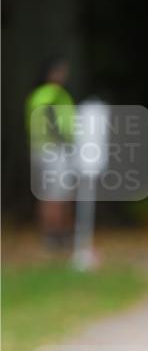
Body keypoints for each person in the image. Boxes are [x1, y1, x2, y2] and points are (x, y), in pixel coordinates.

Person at [25, 56, 76, 251]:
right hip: (54, 150)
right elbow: (49, 116)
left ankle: (51, 234)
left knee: (46, 193)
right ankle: (58, 235)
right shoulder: (54, 93)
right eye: (61, 71)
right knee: (58, 194)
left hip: (39, 149)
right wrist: (62, 139)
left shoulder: (36, 94)